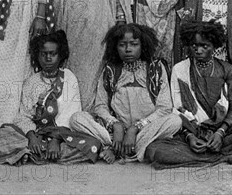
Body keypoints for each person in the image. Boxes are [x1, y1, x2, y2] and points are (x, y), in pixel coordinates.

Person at [145, 21, 232, 168]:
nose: (198, 50)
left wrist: (220, 132)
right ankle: (226, 155)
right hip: (192, 128)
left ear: (214, 46)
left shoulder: (226, 69)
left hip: (223, 129)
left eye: (204, 46)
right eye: (194, 46)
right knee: (156, 150)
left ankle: (211, 153)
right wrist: (190, 136)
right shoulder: (179, 69)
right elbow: (177, 108)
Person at [70, 24, 182, 163]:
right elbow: (100, 106)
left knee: (175, 121)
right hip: (115, 132)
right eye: (122, 45)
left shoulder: (156, 68)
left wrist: (136, 128)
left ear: (143, 46)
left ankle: (117, 148)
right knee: (77, 118)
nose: (128, 49)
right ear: (115, 47)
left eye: (134, 44)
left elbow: (164, 108)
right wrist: (115, 125)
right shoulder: (110, 70)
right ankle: (125, 146)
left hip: (145, 130)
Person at [0, 30, 101, 165]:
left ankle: (33, 153)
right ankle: (41, 150)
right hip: (39, 134)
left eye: (53, 54)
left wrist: (56, 139)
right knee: (4, 135)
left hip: (64, 136)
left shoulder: (68, 77)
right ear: (37, 56)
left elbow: (71, 115)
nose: (48, 58)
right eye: (44, 54)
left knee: (92, 144)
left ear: (60, 55)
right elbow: (24, 116)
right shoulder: (31, 82)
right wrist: (32, 137)